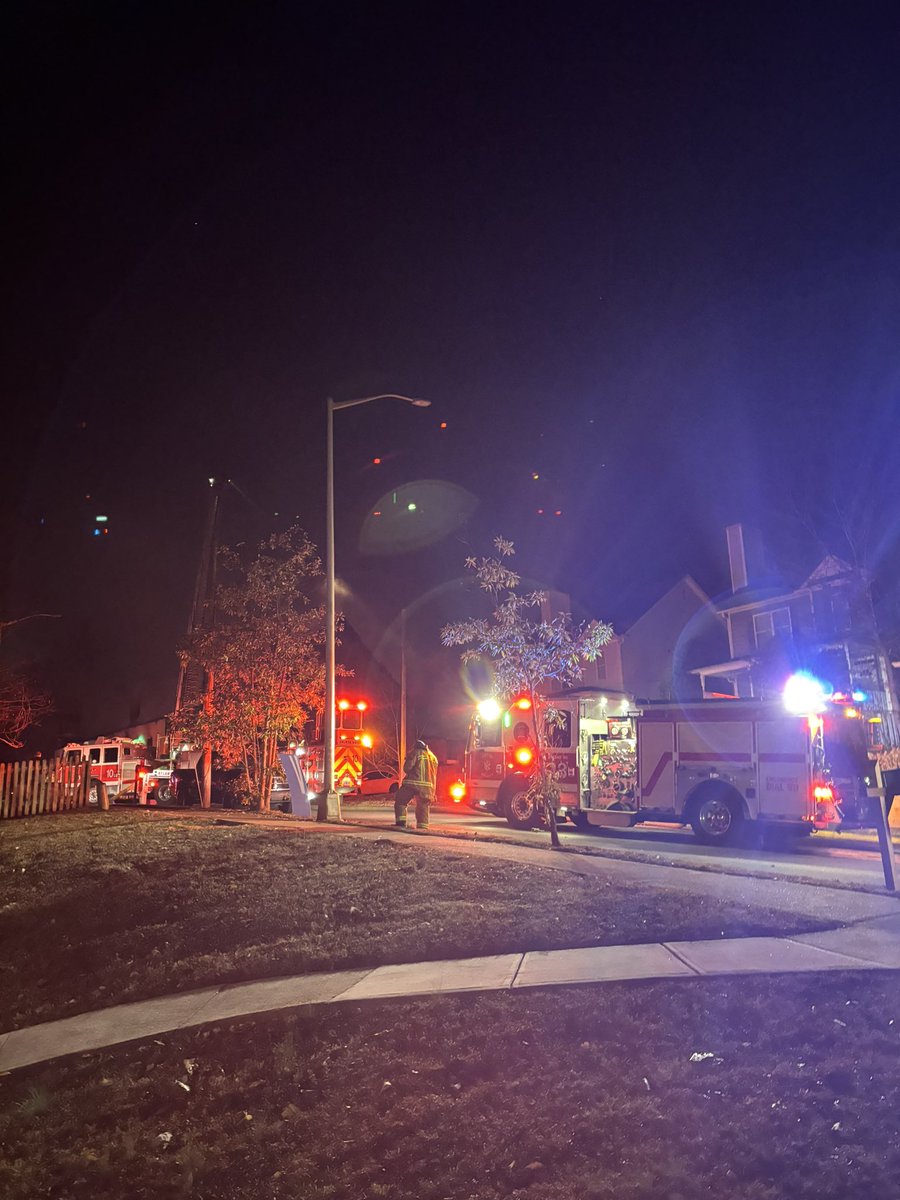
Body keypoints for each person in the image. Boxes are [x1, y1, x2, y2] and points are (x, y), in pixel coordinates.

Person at [394, 738, 439, 830]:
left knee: (400, 800)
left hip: (412, 783)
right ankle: (422, 827)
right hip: (428, 787)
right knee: (423, 806)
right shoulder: (433, 757)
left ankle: (401, 822)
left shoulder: (415, 753)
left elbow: (407, 768)